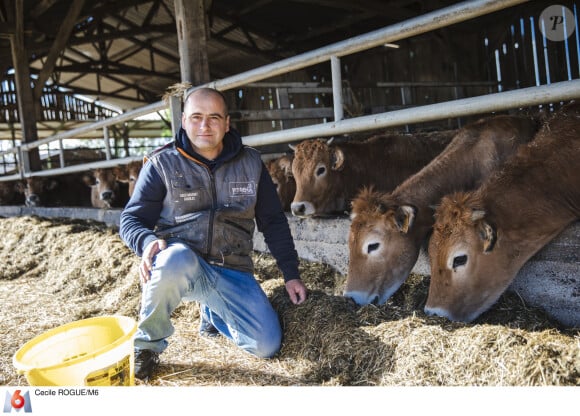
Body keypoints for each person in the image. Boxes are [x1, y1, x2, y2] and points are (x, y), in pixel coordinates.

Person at [119, 87, 308, 381]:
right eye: (196, 117)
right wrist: (145, 242)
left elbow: (273, 222)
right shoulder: (162, 164)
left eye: (214, 117)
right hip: (182, 265)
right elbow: (131, 219)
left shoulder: (251, 164)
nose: (204, 125)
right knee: (174, 259)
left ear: (227, 122)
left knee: (267, 345)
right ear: (183, 121)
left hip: (232, 268)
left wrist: (291, 273)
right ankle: (146, 346)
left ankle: (213, 312)